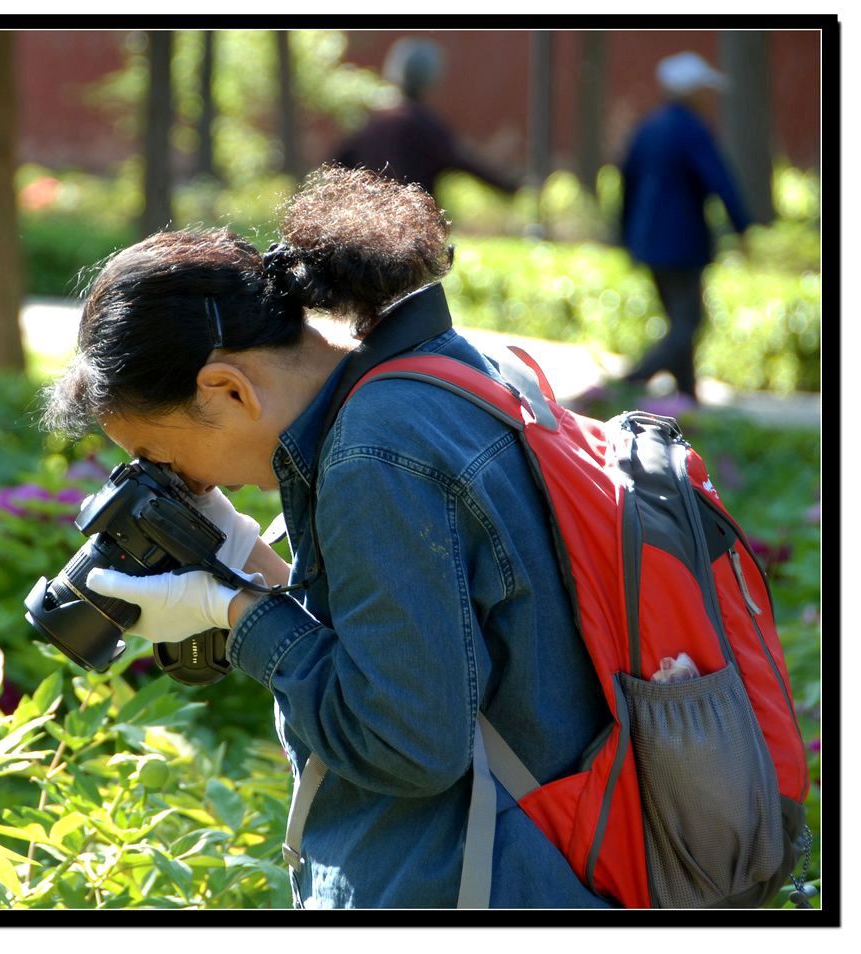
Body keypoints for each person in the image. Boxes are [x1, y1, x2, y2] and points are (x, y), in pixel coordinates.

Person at [41, 165, 611, 909]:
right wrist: (248, 565)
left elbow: (407, 745)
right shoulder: (430, 374)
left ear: (228, 389)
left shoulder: (373, 455)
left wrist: (233, 615)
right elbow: (426, 648)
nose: (174, 480)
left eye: (158, 454)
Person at [618, 51, 752, 401]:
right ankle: (633, 377)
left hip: (647, 240)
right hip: (683, 241)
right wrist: (742, 227)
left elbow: (625, 181)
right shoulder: (693, 129)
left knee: (678, 317)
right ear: (691, 91)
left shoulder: (648, 126)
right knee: (689, 322)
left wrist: (624, 235)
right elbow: (719, 180)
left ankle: (687, 396)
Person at [333, 38, 520, 199]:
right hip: (414, 222)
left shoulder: (372, 123)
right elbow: (462, 162)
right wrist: (510, 187)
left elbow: (337, 162)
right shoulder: (423, 125)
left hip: (371, 222)